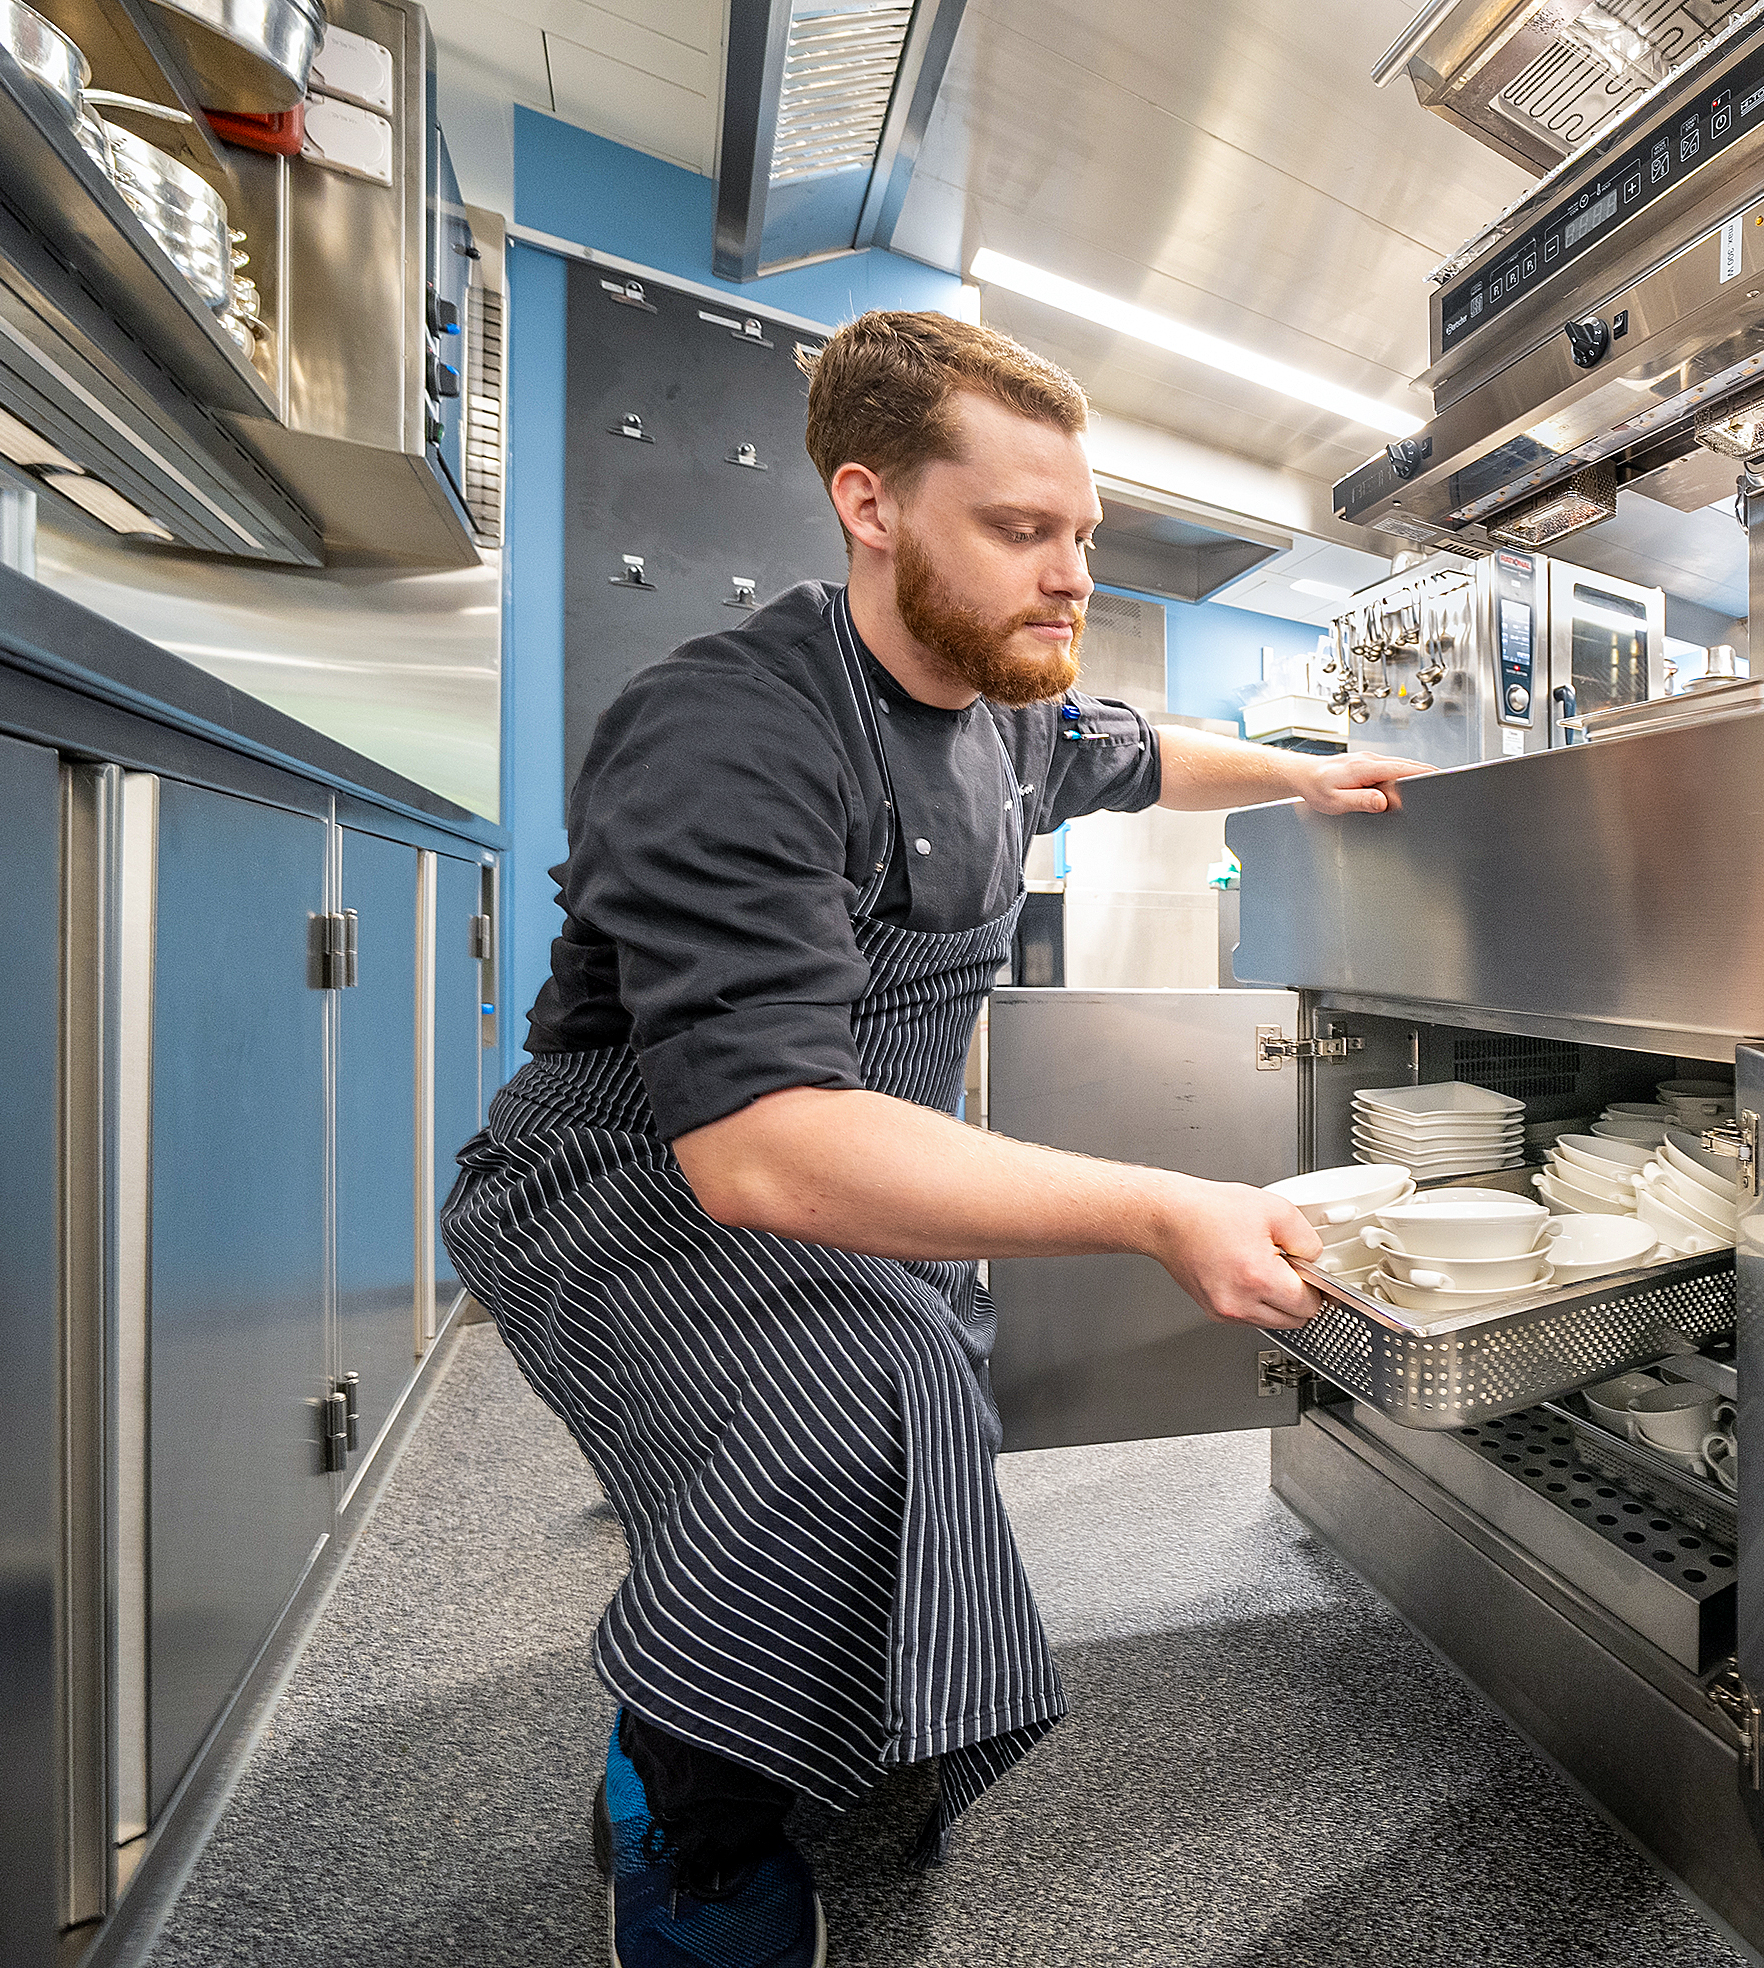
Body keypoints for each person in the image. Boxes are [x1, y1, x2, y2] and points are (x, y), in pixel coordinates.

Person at [440, 309, 1429, 1968]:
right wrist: (1159, 1206)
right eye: (1021, 531)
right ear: (870, 503)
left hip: (835, 1159)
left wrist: (1310, 778)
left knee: (936, 1385)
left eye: (1082, 536)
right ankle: (683, 1815)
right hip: (623, 1178)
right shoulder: (726, 730)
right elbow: (756, 1154)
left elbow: (1137, 756)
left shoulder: (998, 710)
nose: (1069, 576)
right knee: (847, 1418)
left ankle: (820, 1726)